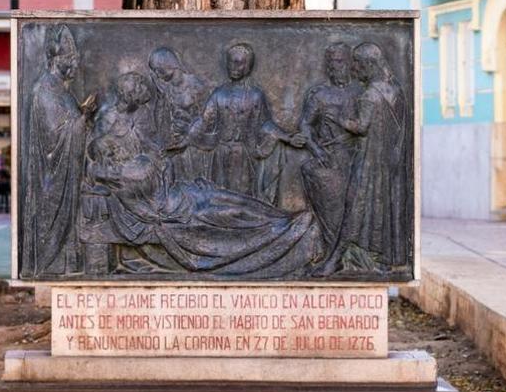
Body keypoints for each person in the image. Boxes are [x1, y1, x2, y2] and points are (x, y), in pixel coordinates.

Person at [85, 71, 323, 279]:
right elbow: (112, 170)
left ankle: (283, 219)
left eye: (115, 147)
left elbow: (154, 151)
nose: (117, 148)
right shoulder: (123, 168)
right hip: (173, 210)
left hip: (181, 194)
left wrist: (170, 149)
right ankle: (284, 230)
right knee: (230, 212)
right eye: (112, 150)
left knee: (231, 199)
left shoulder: (136, 142)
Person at [320, 42, 408, 274]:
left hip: (368, 160)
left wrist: (339, 119)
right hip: (388, 163)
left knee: (356, 205)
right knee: (379, 207)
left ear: (370, 65)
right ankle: (378, 256)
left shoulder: (369, 95)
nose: (354, 70)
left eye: (358, 65)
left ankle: (340, 257)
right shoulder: (395, 89)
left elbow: (360, 127)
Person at [185, 43, 305, 205]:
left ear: (247, 67)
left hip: (243, 157)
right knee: (218, 200)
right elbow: (205, 122)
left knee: (243, 201)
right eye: (231, 62)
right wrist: (188, 135)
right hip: (220, 156)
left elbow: (265, 124)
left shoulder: (255, 96)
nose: (234, 67)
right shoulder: (219, 94)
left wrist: (287, 137)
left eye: (239, 63)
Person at [21, 25, 96, 276]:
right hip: (52, 179)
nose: (75, 66)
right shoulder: (45, 90)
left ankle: (69, 264)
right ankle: (51, 264)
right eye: (70, 60)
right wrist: (83, 118)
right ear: (56, 60)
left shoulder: (61, 90)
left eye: (75, 60)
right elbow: (56, 136)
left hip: (68, 174)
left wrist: (83, 116)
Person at [297, 43, 361, 241]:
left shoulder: (360, 92)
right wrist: (316, 151)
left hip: (356, 157)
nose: (335, 67)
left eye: (340, 62)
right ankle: (331, 244)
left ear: (350, 63)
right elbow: (305, 126)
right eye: (331, 63)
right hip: (328, 156)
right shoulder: (320, 95)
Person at [147, 47, 210, 182]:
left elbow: (205, 119)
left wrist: (187, 140)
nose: (157, 75)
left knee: (195, 185)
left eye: (157, 70)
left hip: (194, 147)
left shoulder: (196, 86)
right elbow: (160, 120)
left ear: (167, 65)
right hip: (175, 147)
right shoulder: (167, 89)